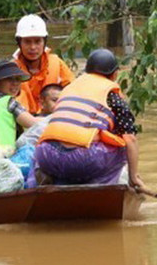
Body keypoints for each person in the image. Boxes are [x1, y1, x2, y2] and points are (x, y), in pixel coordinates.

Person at [34, 48, 150, 191]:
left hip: (45, 155)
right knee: (122, 146)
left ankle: (52, 181)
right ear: (114, 74)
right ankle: (101, 188)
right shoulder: (113, 97)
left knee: (46, 146)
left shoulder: (68, 89)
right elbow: (130, 139)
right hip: (82, 160)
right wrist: (133, 177)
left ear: (87, 71)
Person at [12, 14, 74, 114]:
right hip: (24, 118)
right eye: (27, 42)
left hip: (54, 116)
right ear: (19, 43)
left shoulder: (56, 63)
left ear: (44, 42)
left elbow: (73, 91)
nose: (33, 47)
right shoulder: (11, 70)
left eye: (37, 42)